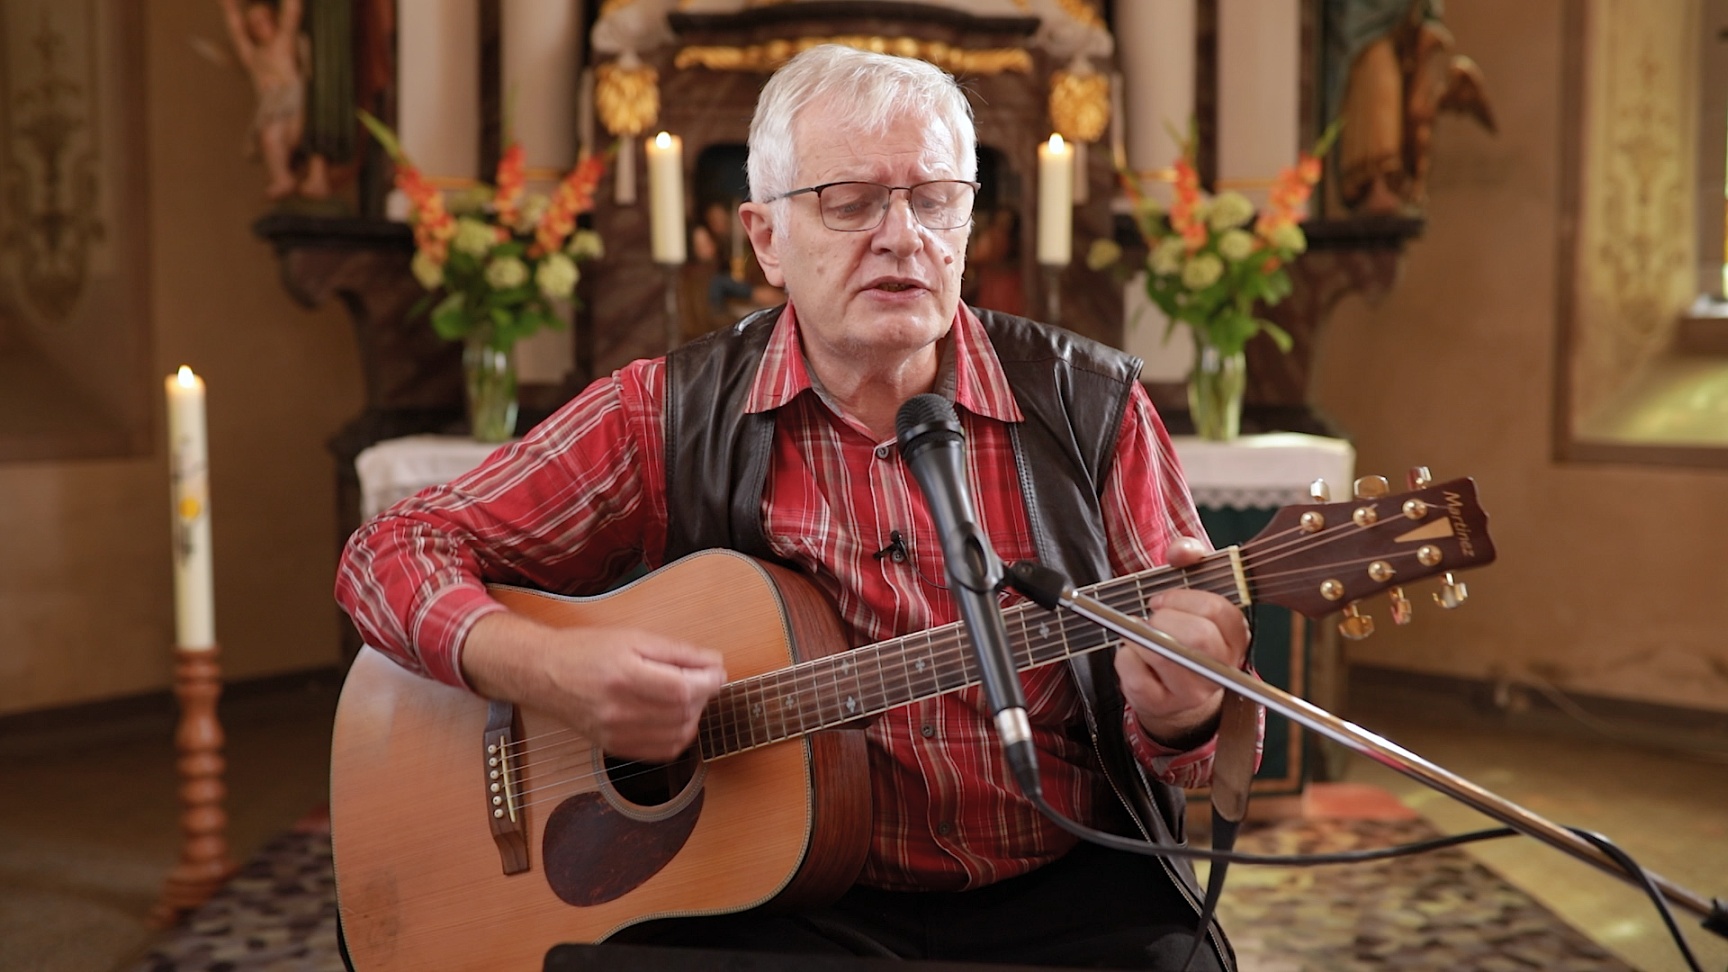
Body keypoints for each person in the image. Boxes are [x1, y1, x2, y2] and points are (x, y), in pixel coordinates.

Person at [336, 44, 1255, 971]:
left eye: (935, 199)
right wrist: (544, 668)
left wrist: (1186, 713)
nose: (903, 237)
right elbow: (389, 554)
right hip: (766, 909)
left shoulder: (1091, 408)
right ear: (765, 239)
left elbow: (1188, 754)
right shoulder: (666, 413)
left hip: (1065, 897)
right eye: (850, 201)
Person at [220, 0, 310, 200]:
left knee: (271, 136)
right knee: (269, 136)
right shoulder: (255, 56)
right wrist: (230, 9)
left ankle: (283, 177)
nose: (262, 26)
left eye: (265, 19)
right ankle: (282, 175)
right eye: (255, 24)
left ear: (274, 18)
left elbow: (292, 12)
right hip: (272, 113)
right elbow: (237, 34)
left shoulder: (283, 43)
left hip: (291, 107)